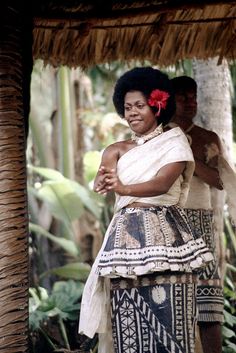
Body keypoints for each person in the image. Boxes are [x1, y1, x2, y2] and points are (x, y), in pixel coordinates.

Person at [78, 67, 213, 353]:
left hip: (169, 238)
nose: (132, 113)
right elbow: (106, 175)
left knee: (173, 317)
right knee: (127, 316)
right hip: (124, 241)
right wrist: (104, 180)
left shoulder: (175, 143)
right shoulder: (115, 149)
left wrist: (123, 188)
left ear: (157, 106)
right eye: (127, 107)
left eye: (139, 105)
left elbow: (162, 184)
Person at [170, 76, 224, 353]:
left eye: (194, 96)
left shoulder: (206, 138)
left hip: (200, 222)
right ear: (169, 100)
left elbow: (222, 180)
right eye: (183, 97)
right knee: (168, 298)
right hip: (166, 222)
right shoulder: (158, 136)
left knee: (208, 301)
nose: (191, 102)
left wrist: (190, 158)